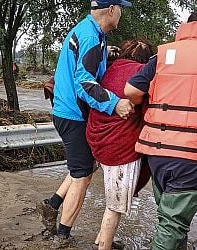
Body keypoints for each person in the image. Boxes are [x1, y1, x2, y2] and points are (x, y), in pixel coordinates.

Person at [124, 8, 197, 249]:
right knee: (173, 224)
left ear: (188, 26)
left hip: (156, 152)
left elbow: (131, 91)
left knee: (170, 218)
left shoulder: (162, 55)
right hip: (193, 154)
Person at [36, 0, 134, 245]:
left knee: (83, 166)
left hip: (65, 110)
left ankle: (52, 204)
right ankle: (62, 236)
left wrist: (106, 54)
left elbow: (85, 66)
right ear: (111, 10)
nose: (121, 13)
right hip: (73, 115)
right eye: (120, 8)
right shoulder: (91, 37)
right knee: (82, 176)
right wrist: (115, 103)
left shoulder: (90, 32)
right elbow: (84, 83)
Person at [86, 39, 154, 250]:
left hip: (96, 140)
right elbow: (148, 114)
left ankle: (101, 239)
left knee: (112, 199)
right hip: (120, 147)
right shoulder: (143, 75)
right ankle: (103, 246)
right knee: (114, 206)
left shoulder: (108, 69)